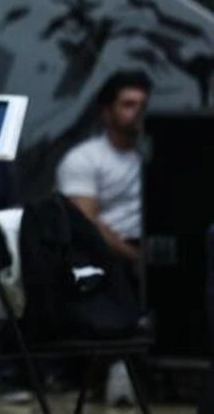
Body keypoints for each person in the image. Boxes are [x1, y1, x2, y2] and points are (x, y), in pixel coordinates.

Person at [55, 69, 151, 406]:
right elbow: (88, 224)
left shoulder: (148, 157)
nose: (137, 112)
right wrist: (135, 257)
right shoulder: (85, 159)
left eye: (142, 104)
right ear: (107, 111)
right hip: (106, 253)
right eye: (128, 104)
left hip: (148, 248)